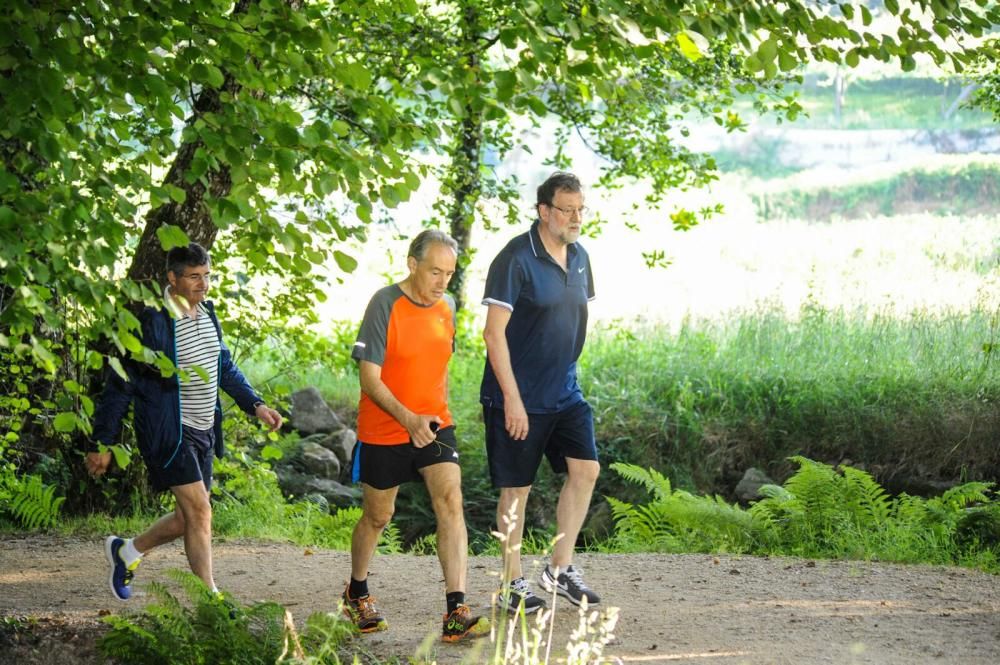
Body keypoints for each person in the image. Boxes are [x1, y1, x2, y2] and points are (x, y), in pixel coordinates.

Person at [86, 242, 282, 602]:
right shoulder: (153, 321)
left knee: (185, 518)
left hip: (203, 429)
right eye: (194, 277)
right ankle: (211, 598)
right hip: (168, 432)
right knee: (201, 511)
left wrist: (255, 404)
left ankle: (127, 551)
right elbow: (120, 383)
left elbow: (223, 366)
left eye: (206, 276)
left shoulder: (207, 313)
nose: (203, 284)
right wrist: (103, 442)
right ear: (172, 278)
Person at [343, 229, 489, 643]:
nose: (443, 282)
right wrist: (407, 418)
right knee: (378, 516)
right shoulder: (384, 303)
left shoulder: (449, 306)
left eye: (450, 273)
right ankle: (357, 591)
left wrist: (430, 415)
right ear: (412, 265)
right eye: (435, 271)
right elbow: (369, 379)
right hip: (385, 427)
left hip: (435, 424)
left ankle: (456, 610)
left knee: (450, 500)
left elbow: (438, 365)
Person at [481, 171, 601, 614]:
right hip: (518, 394)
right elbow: (494, 335)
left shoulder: (581, 256)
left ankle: (559, 569)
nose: (575, 218)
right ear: (544, 211)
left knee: (586, 469)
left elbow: (569, 320)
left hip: (565, 391)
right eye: (566, 210)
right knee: (517, 490)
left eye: (580, 209)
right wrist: (512, 399)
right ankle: (511, 583)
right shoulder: (515, 258)